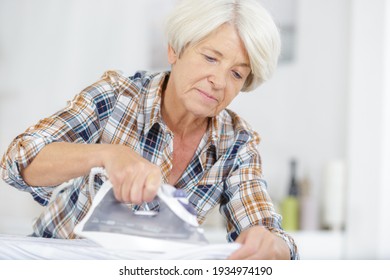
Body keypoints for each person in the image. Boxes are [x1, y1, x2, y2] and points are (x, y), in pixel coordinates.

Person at [0, 0, 298, 260]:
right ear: (174, 50)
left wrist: (270, 246)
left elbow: (272, 235)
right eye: (210, 57)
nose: (219, 81)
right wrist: (108, 155)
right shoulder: (117, 96)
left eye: (236, 73)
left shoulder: (236, 142)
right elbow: (17, 160)